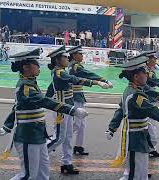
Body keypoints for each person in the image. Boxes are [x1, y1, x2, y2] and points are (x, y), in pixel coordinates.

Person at [0, 48, 89, 180]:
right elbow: (45, 101)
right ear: (26, 67)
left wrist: (7, 126)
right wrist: (73, 110)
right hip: (28, 136)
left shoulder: (31, 83)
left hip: (38, 135)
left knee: (43, 173)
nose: (39, 67)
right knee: (27, 175)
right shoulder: (25, 87)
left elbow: (17, 107)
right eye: (36, 64)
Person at [114, 55, 159, 180]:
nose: (147, 75)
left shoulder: (134, 88)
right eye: (144, 73)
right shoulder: (135, 95)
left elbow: (153, 92)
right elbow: (154, 112)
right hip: (135, 138)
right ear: (136, 77)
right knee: (132, 174)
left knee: (141, 172)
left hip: (140, 136)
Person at [45, 46, 110, 174]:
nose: (67, 58)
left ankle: (66, 163)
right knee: (59, 137)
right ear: (58, 60)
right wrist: (97, 83)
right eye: (64, 57)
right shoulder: (59, 72)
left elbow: (51, 87)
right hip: (61, 109)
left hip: (68, 108)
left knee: (68, 136)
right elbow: (75, 80)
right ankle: (37, 154)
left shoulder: (62, 71)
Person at [67, 45, 113, 155]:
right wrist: (103, 80)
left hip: (78, 95)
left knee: (82, 124)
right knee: (77, 124)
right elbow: (88, 74)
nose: (82, 55)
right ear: (74, 55)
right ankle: (58, 137)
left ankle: (78, 146)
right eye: (80, 54)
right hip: (75, 96)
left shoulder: (74, 66)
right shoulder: (75, 66)